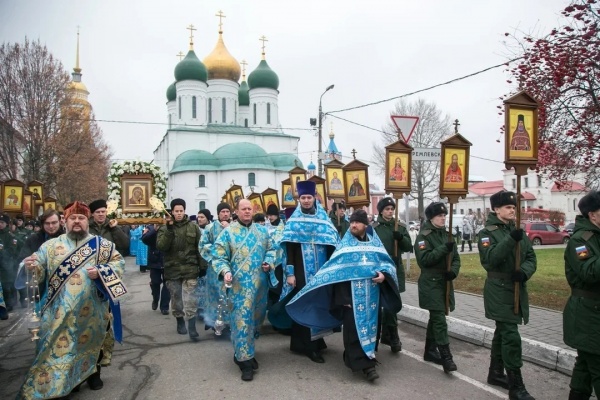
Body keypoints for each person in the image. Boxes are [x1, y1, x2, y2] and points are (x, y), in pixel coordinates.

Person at [18, 201, 126, 398]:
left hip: (93, 308)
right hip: (60, 311)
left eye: (81, 218)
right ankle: (68, 380)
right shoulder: (50, 247)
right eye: (73, 218)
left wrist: (102, 272)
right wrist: (31, 266)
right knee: (62, 348)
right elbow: (38, 270)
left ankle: (94, 375)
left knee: (94, 343)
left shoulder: (102, 246)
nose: (77, 222)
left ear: (88, 220)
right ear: (64, 221)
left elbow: (118, 263)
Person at [286, 209, 402, 381]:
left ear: (366, 225)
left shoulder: (375, 245)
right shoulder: (345, 247)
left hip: (372, 297)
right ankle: (364, 366)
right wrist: (344, 299)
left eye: (357, 222)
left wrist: (384, 276)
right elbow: (337, 274)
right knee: (354, 332)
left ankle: (368, 355)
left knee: (371, 328)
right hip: (351, 297)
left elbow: (388, 265)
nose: (353, 225)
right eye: (352, 222)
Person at [478, 190, 536, 399]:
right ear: (496, 209)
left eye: (514, 207)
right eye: (508, 207)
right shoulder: (487, 233)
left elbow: (530, 257)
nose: (513, 210)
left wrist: (524, 272)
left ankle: (495, 373)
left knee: (502, 332)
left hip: (516, 288)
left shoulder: (517, 230)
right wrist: (511, 239)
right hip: (498, 289)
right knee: (510, 335)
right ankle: (516, 385)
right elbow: (491, 259)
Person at [212, 199, 277, 381]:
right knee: (241, 322)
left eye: (250, 208)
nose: (247, 211)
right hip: (238, 288)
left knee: (255, 322)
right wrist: (225, 271)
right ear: (237, 211)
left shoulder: (262, 232)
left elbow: (273, 250)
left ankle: (246, 352)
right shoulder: (228, 233)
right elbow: (218, 256)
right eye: (243, 209)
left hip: (259, 288)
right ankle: (244, 362)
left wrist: (268, 262)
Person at [279, 180, 338, 363]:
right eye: (303, 197)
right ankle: (309, 347)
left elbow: (333, 245)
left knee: (319, 304)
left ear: (314, 198)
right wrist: (290, 273)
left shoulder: (323, 219)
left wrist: (333, 270)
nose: (306, 200)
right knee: (306, 304)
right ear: (299, 199)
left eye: (309, 197)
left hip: (320, 271)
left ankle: (316, 342)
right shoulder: (294, 222)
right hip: (302, 271)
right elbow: (289, 250)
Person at [414, 202, 460, 373]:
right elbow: (424, 260)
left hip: (445, 281)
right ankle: (446, 357)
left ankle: (429, 351)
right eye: (439, 216)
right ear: (431, 218)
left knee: (436, 318)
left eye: (444, 216)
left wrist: (453, 272)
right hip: (430, 282)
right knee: (439, 318)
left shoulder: (447, 235)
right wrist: (442, 249)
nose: (443, 218)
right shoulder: (423, 236)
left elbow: (456, 258)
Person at [563, 191, 600, 399]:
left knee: (585, 367)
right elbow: (589, 272)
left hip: (593, 313)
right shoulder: (580, 240)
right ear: (592, 215)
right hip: (588, 313)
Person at [157, 198, 202, 341]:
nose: (179, 213)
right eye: (176, 211)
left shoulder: (193, 227)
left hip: (190, 268)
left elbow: (200, 248)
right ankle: (180, 320)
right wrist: (169, 229)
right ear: (172, 212)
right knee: (176, 299)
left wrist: (203, 266)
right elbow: (161, 247)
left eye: (181, 211)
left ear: (184, 211)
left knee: (191, 299)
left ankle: (192, 327)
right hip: (173, 270)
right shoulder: (165, 228)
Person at [372, 197, 412, 353]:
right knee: (382, 304)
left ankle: (391, 336)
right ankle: (390, 335)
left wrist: (401, 238)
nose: (390, 212)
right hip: (380, 270)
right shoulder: (374, 228)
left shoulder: (400, 227)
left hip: (396, 269)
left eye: (392, 209)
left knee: (392, 303)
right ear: (381, 211)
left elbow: (409, 247)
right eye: (387, 209)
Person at [16, 210, 64, 308]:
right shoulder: (33, 239)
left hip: (63, 286)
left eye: (54, 223)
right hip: (41, 288)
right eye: (47, 223)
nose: (51, 226)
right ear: (42, 224)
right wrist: (27, 263)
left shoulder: (67, 238)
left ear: (60, 221)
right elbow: (22, 259)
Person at [200, 203, 232, 332]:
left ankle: (229, 323)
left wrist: (229, 229)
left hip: (231, 268)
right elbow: (203, 245)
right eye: (223, 211)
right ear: (218, 213)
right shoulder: (210, 227)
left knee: (229, 295)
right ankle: (214, 323)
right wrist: (218, 253)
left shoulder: (235, 227)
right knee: (216, 295)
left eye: (227, 211)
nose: (225, 214)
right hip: (214, 269)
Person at [142, 224, 170, 315]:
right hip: (155, 261)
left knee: (168, 284)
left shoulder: (170, 226)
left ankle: (164, 307)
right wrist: (154, 230)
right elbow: (144, 239)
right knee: (155, 282)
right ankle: (155, 298)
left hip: (167, 260)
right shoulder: (150, 227)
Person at [0, 213, 20, 312]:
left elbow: (12, 250)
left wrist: (2, 251)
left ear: (7, 224)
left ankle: (9, 304)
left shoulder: (10, 236)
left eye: (2, 222)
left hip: (7, 265)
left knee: (6, 285)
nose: (0, 224)